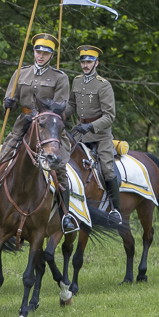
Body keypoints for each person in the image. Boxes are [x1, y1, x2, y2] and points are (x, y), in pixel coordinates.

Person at [0, 33, 78, 234]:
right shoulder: (21, 72)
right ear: (33, 52)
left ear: (51, 55)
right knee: (3, 158)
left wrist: (43, 115)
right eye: (38, 51)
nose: (41, 56)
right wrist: (8, 103)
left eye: (45, 53)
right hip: (23, 124)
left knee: (59, 166)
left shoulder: (60, 77)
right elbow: (10, 103)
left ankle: (65, 214)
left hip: (48, 126)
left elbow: (60, 107)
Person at [64, 45, 121, 222]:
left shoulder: (104, 85)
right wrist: (59, 113)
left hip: (100, 134)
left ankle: (115, 210)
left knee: (107, 169)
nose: (85, 65)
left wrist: (90, 126)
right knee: (61, 158)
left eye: (89, 62)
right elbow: (72, 105)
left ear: (96, 63)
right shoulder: (77, 81)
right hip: (80, 132)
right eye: (83, 62)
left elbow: (109, 116)